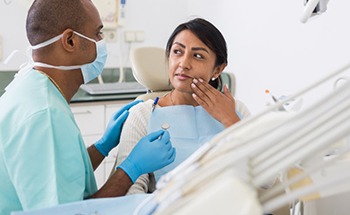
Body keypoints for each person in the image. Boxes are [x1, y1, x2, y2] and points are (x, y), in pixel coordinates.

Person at [0, 0, 175, 214]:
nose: (102, 42)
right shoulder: (45, 115)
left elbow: (61, 175)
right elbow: (71, 212)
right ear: (70, 41)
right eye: (98, 34)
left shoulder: (33, 85)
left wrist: (102, 146)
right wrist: (131, 169)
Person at [113, 18, 251, 194]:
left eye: (198, 55)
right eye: (177, 52)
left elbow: (267, 180)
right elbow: (131, 192)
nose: (183, 64)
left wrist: (230, 120)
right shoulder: (143, 114)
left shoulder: (236, 110)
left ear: (217, 69)